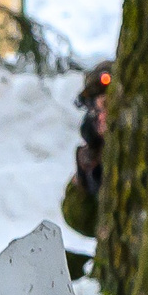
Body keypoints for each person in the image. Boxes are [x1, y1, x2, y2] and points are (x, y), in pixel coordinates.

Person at [62, 60, 112, 275]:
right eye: (96, 106)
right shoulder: (91, 154)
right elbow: (80, 218)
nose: (102, 113)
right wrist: (85, 177)